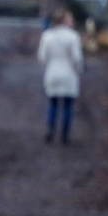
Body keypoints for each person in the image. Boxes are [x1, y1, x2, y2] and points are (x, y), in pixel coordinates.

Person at [37, 10, 84, 144]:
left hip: (52, 72)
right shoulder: (73, 37)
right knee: (68, 106)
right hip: (68, 74)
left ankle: (50, 130)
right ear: (65, 21)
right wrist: (78, 70)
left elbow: (42, 57)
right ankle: (64, 135)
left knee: (52, 104)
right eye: (70, 19)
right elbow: (77, 58)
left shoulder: (47, 36)